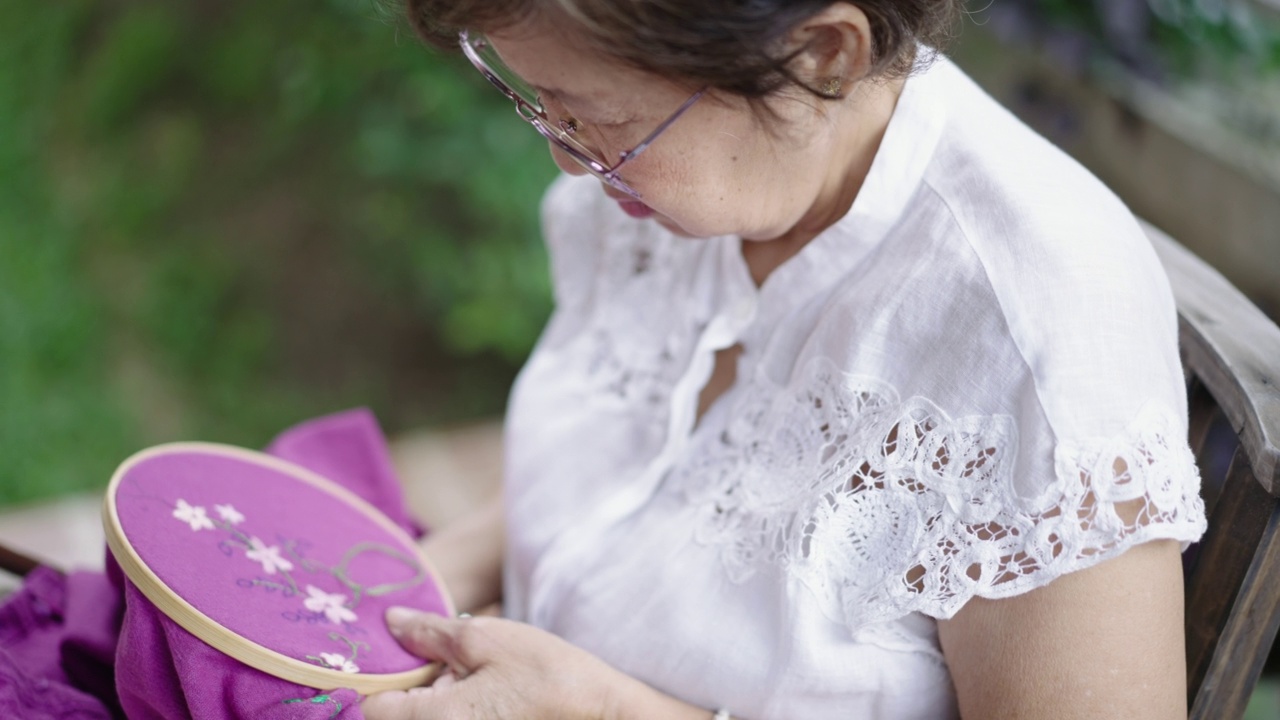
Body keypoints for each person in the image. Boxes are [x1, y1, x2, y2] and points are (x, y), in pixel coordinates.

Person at [363, 1, 1207, 718]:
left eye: (604, 119)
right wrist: (443, 571)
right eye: (536, 98)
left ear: (821, 55)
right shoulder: (679, 183)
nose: (566, 153)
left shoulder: (1031, 326)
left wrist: (608, 710)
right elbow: (647, 478)